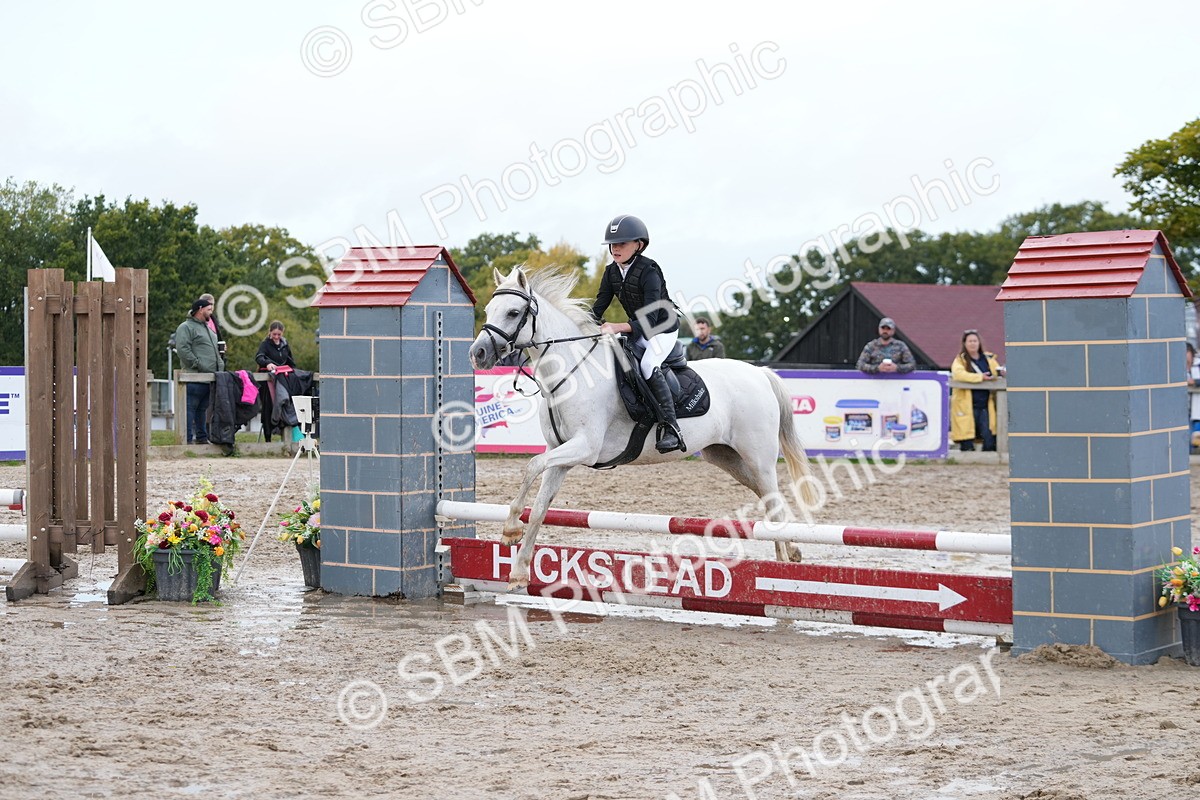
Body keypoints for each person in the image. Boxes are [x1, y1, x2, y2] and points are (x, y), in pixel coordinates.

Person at [591, 214, 685, 453]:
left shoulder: (650, 270)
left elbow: (650, 320)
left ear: (639, 245)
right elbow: (598, 307)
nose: (615, 248)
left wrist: (616, 326)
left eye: (621, 243)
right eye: (612, 244)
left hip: (662, 328)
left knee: (648, 365)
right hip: (638, 329)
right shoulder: (611, 272)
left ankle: (672, 428)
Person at [174, 297, 224, 444]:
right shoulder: (186, 327)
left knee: (202, 409)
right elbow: (183, 349)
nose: (211, 312)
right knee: (190, 409)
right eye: (209, 309)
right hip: (194, 376)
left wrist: (219, 365)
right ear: (200, 309)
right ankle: (187, 440)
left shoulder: (207, 329)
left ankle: (202, 438)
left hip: (209, 377)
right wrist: (197, 364)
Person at [950, 329, 1004, 452]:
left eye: (975, 341)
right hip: (966, 403)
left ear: (979, 342)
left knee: (989, 436)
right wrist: (980, 377)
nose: (973, 344)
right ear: (964, 343)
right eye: (970, 341)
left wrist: (1001, 373)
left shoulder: (988, 359)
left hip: (985, 404)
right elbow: (958, 374)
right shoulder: (960, 360)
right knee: (966, 438)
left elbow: (996, 372)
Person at [256, 321, 298, 442]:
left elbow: (290, 361)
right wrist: (267, 363)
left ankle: (285, 437)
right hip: (268, 381)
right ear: (270, 332)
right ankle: (268, 438)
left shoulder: (284, 345)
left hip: (282, 379)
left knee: (284, 405)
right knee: (268, 408)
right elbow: (259, 357)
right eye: (274, 334)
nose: (276, 337)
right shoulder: (265, 344)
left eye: (279, 334)